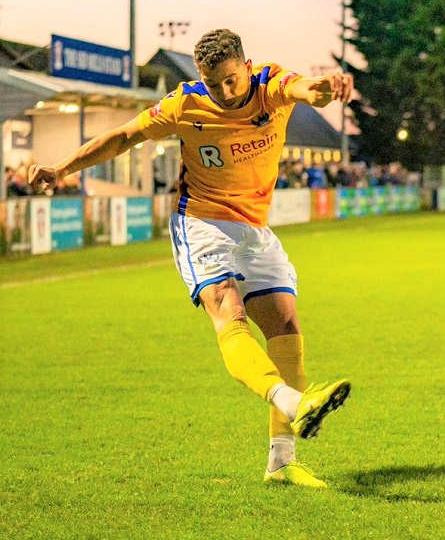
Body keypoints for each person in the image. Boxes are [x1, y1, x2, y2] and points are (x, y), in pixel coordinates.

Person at [29, 29, 354, 488]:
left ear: (246, 65)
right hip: (200, 220)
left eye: (231, 80)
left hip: (254, 228)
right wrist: (61, 169)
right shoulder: (185, 105)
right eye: (213, 82)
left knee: (285, 324)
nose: (223, 91)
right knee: (229, 311)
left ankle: (282, 462)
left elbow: (309, 90)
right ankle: (292, 402)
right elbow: (124, 136)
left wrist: (329, 86)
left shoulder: (271, 86)